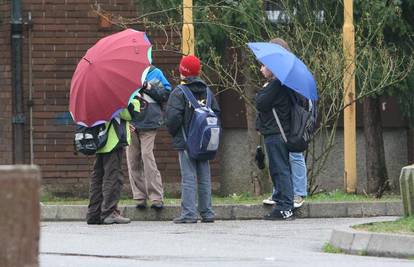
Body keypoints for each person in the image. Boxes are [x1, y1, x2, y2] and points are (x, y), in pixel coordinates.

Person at [165, 55, 220, 224]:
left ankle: (189, 213)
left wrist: (175, 134)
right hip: (205, 142)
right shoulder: (208, 91)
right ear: (199, 72)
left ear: (182, 72)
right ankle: (207, 212)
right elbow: (216, 113)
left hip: (187, 141)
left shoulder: (179, 92)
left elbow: (172, 119)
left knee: (188, 177)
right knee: (204, 176)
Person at [262, 38, 308, 209]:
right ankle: (279, 192)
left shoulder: (292, 74)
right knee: (279, 159)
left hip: (293, 121)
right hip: (281, 122)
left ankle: (298, 193)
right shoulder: (278, 76)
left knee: (294, 155)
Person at [86, 98, 140, 225]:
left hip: (100, 139)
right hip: (112, 140)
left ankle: (94, 213)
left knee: (98, 177)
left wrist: (125, 124)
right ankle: (109, 212)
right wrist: (135, 103)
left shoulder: (95, 94)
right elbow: (129, 113)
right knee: (113, 177)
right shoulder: (112, 94)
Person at [126, 65, 171, 210]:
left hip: (150, 121)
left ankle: (156, 197)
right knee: (132, 159)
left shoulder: (156, 73)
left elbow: (165, 94)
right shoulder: (126, 72)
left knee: (147, 156)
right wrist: (125, 121)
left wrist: (147, 86)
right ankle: (139, 196)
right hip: (131, 123)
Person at [256, 52, 294, 221]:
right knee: (277, 169)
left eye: (264, 66)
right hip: (275, 132)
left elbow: (260, 103)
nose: (261, 68)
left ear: (272, 69)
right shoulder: (277, 84)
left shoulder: (276, 85)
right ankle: (281, 201)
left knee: (280, 169)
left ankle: (285, 206)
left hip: (276, 133)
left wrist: (262, 92)